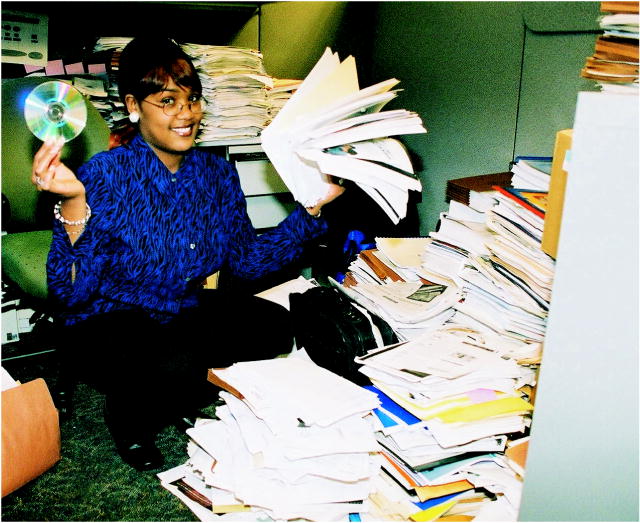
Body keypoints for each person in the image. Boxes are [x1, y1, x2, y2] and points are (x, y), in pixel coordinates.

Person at [31, 36, 345, 471]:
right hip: (111, 316)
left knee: (276, 326)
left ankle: (175, 380)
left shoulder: (216, 172)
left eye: (193, 99)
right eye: (168, 100)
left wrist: (311, 207)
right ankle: (129, 419)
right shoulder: (102, 174)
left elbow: (246, 260)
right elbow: (69, 294)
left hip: (182, 305)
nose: (186, 113)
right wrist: (72, 203)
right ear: (134, 106)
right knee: (175, 362)